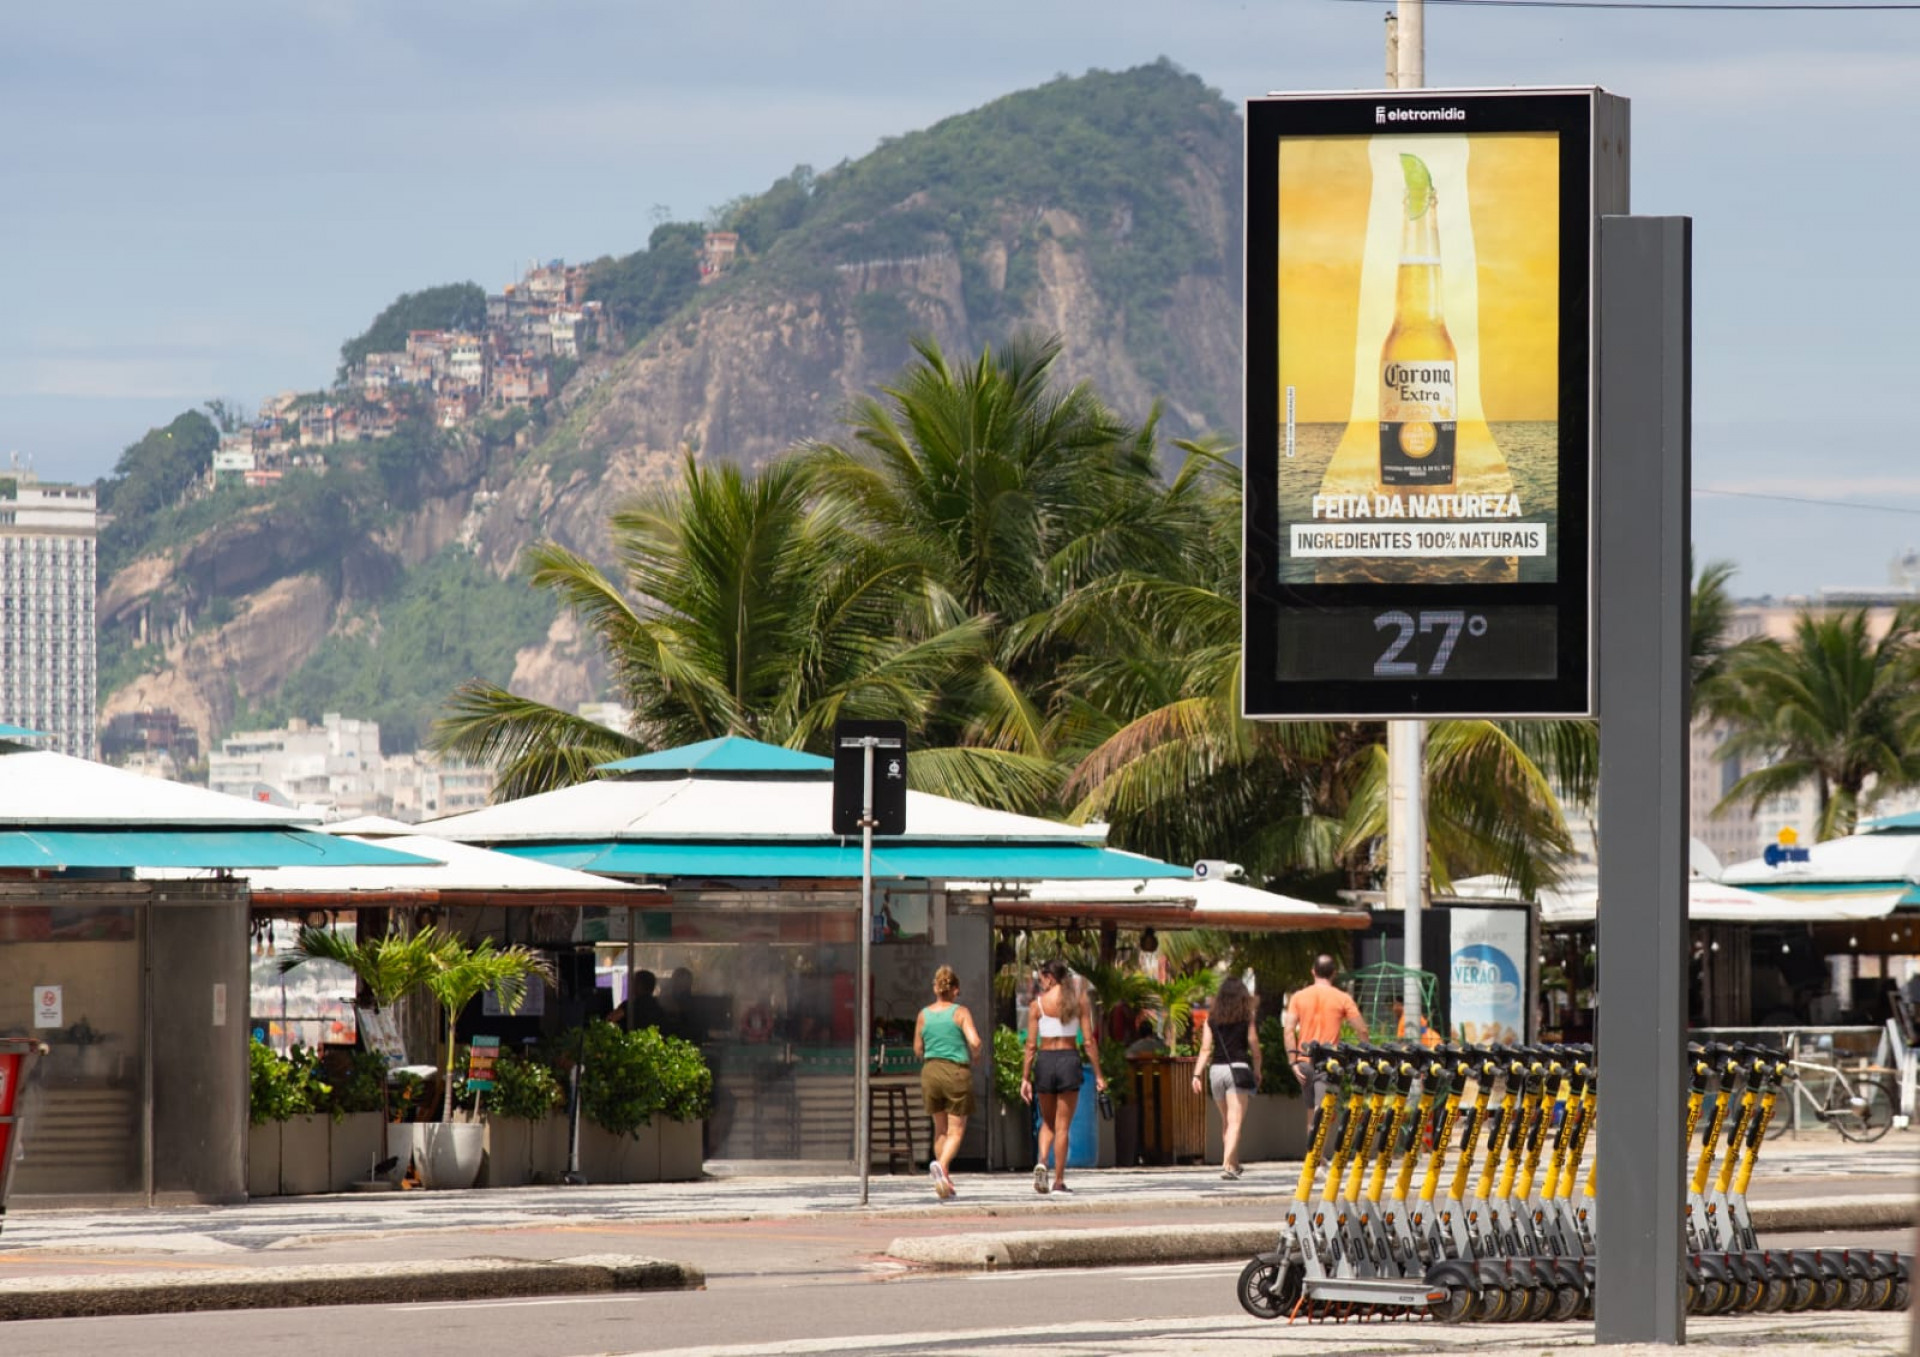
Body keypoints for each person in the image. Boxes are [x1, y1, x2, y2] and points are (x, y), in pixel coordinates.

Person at [1019, 959, 1105, 1195]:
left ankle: (1042, 1162)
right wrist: (1098, 1074)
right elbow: (1088, 1042)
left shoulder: (1038, 1004)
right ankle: (1058, 1181)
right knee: (1063, 1126)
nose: (1040, 982)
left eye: (1041, 977)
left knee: (1046, 1122)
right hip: (1069, 1060)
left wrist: (1025, 1077)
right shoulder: (1079, 1001)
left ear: (1050, 977)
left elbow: (1030, 1046)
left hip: (1045, 1061)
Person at [913, 965, 982, 1200]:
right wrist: (976, 1054)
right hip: (955, 1072)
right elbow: (975, 1040)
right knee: (956, 1131)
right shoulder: (960, 1012)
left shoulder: (924, 1014)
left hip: (930, 1071)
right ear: (955, 990)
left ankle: (945, 1179)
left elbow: (917, 1049)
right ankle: (942, 1166)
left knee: (939, 1129)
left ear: (935, 988)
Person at [1282, 955, 1368, 1132]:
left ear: (1313, 971)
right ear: (1334, 973)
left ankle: (1314, 1156)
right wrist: (1365, 1057)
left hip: (1305, 1062)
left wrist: (1293, 1062)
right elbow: (1362, 1030)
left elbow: (1288, 1030)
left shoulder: (1298, 997)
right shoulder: (1342, 998)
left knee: (1312, 1111)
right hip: (1329, 1063)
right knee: (1322, 1110)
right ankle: (1316, 1156)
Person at [1192, 975, 1262, 1180]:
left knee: (1227, 1121)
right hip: (1237, 1070)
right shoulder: (1246, 1017)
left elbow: (1205, 1049)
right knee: (1235, 1121)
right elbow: (1254, 1046)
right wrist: (1257, 1069)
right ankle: (1226, 1164)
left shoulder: (1211, 1018)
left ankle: (1233, 1163)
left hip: (1216, 1071)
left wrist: (1196, 1074)